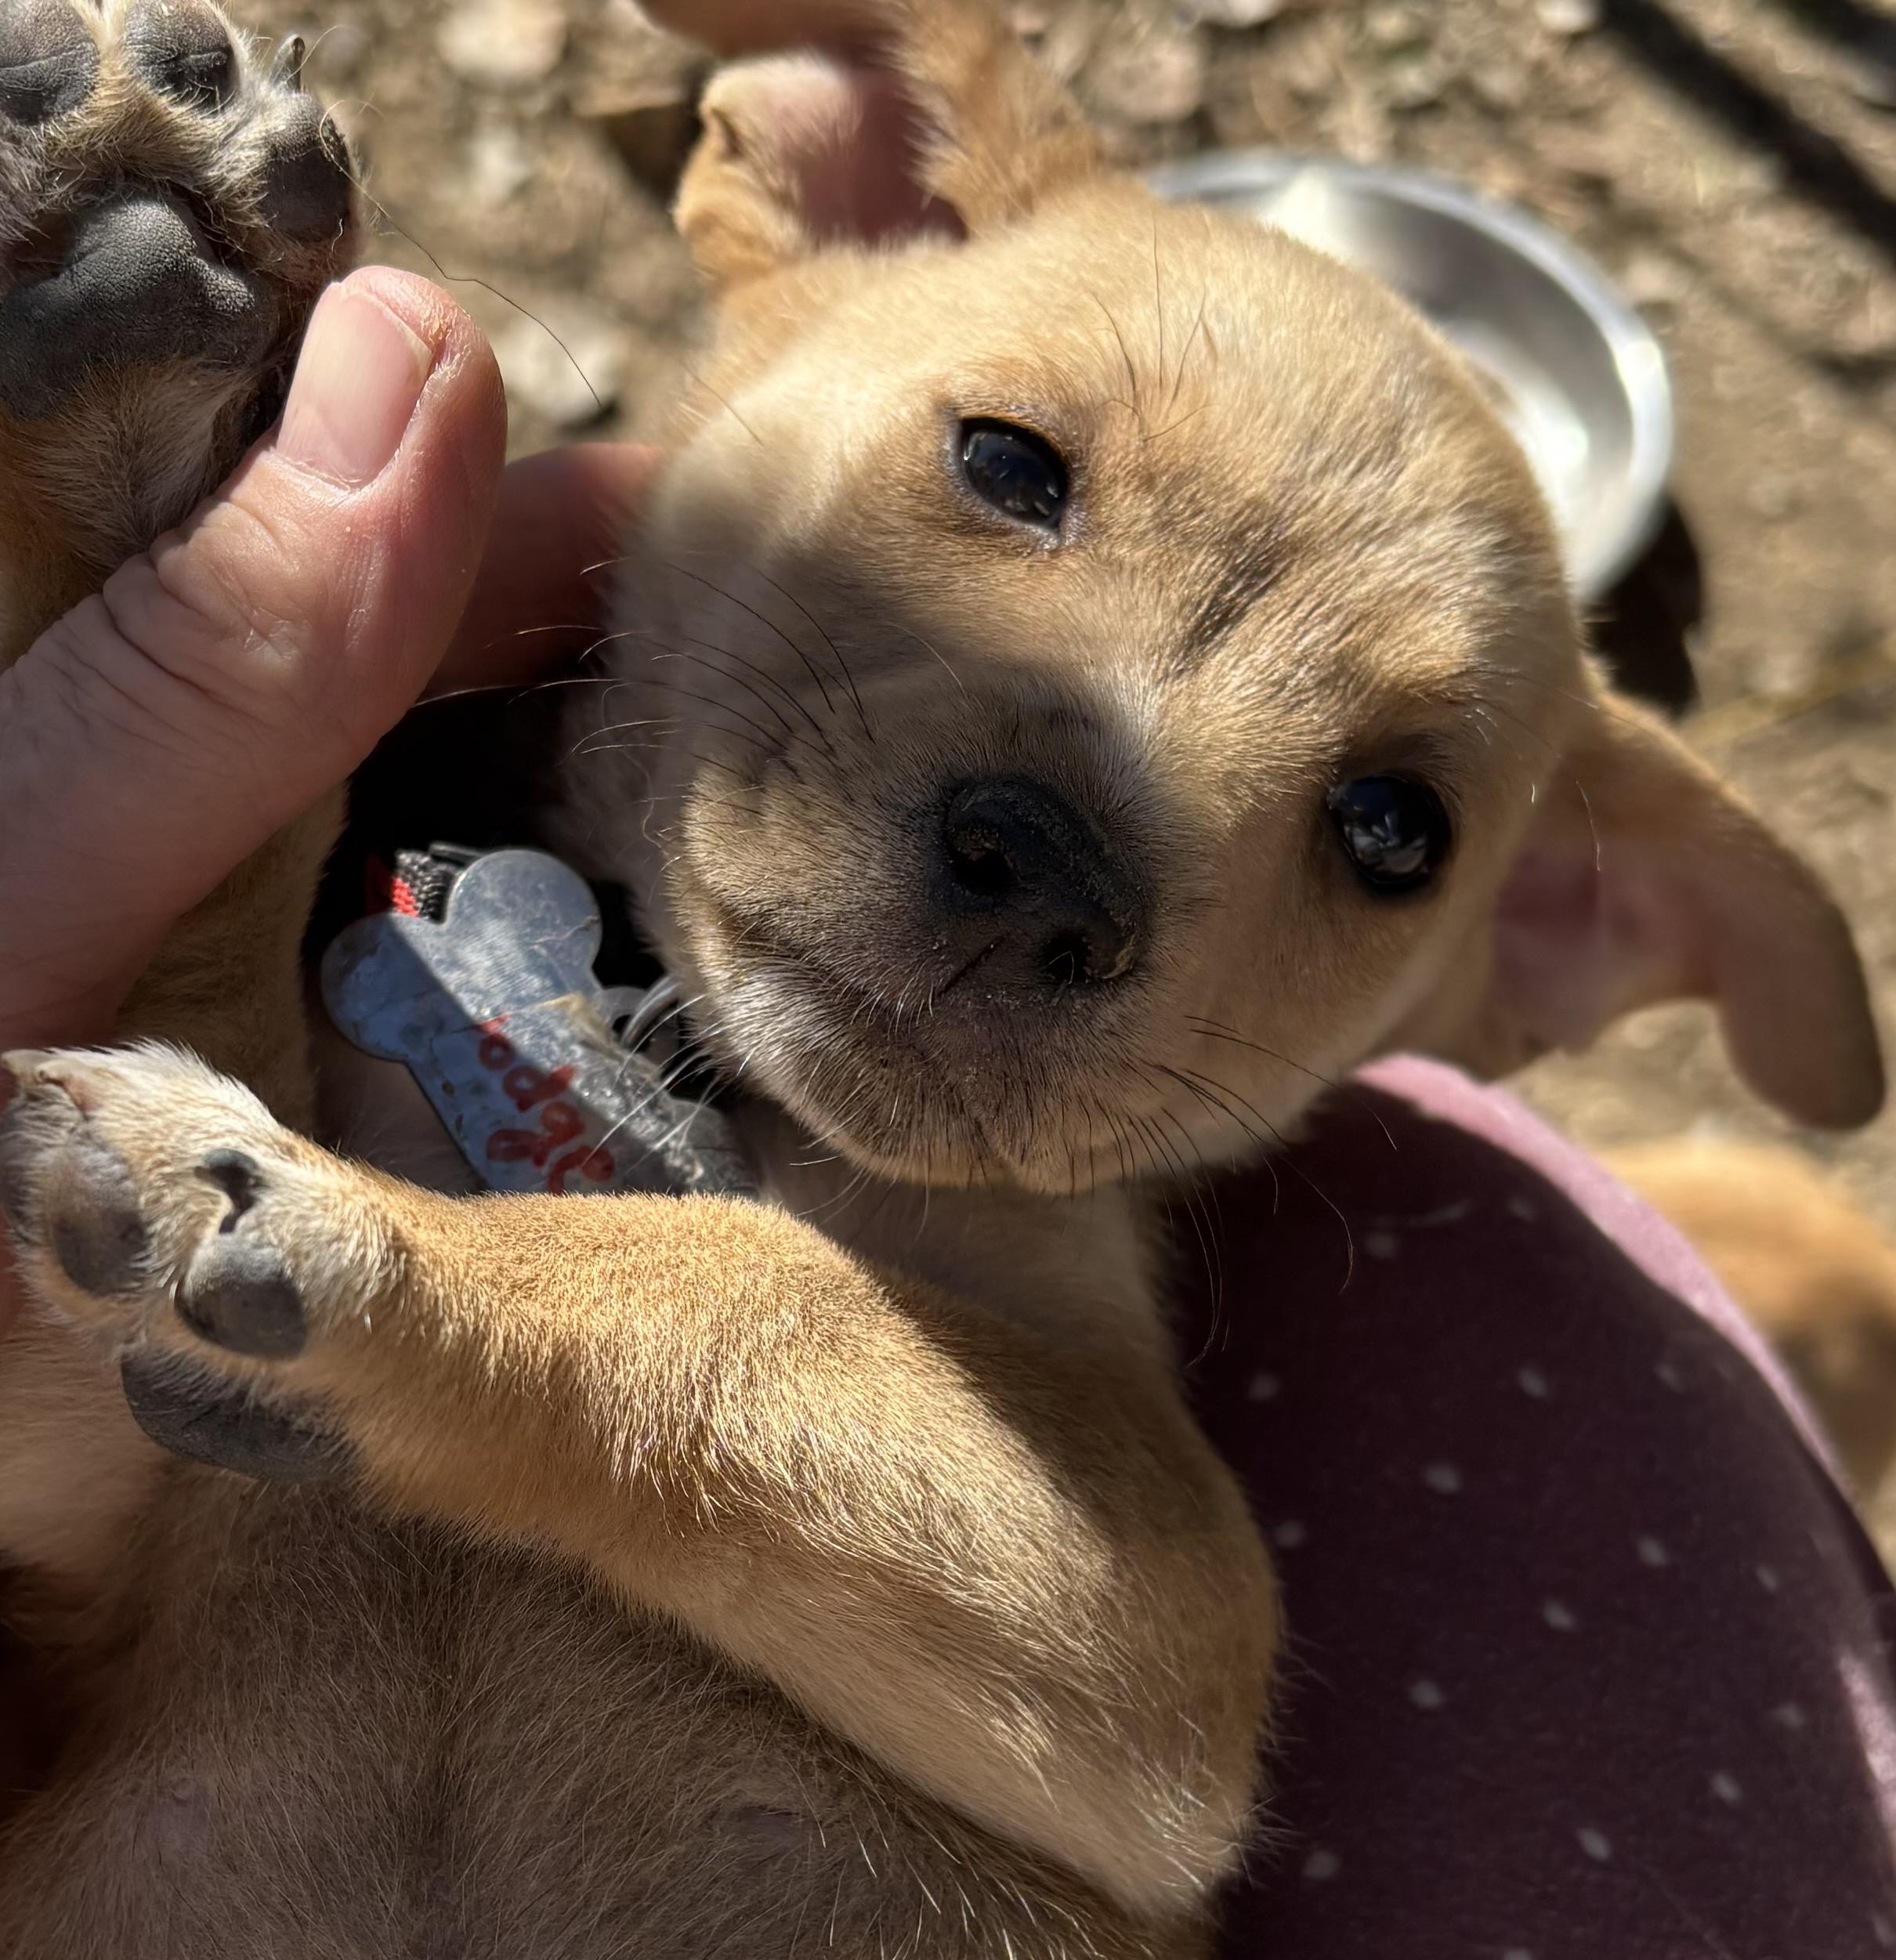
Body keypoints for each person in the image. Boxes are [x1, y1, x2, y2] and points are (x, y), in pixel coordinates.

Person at [3, 267, 1892, 1959]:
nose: (1086, 852)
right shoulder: (346, 922)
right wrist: (161, 561)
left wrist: (471, 1323)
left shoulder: (1018, 1264)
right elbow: (77, 1382)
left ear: (1527, 951)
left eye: (1381, 828)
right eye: (1012, 470)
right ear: (837, 248)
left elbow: (1141, 1733)